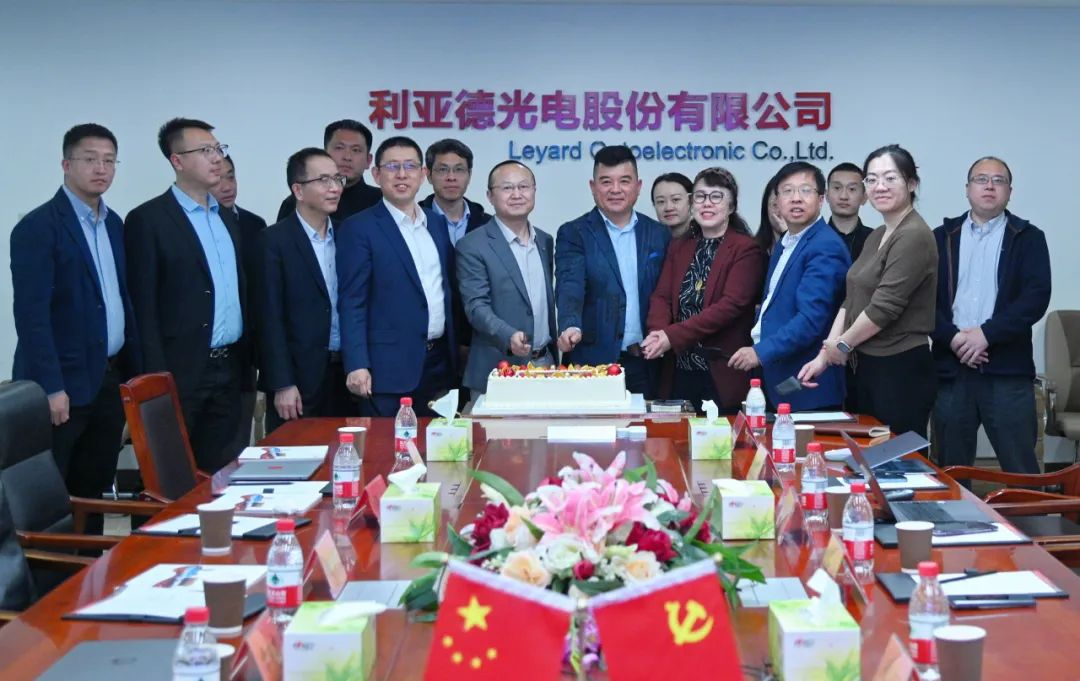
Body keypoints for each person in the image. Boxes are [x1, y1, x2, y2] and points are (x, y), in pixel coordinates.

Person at [11, 123, 140, 532]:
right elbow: (32, 317)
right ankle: (50, 571)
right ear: (67, 165)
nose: (101, 169)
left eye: (109, 161)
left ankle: (90, 566)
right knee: (51, 500)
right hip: (62, 386)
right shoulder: (38, 227)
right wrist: (50, 387)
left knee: (93, 491)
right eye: (90, 159)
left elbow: (120, 301)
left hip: (106, 378)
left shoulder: (114, 224)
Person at [125, 118, 249, 472]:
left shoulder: (226, 217)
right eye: (205, 150)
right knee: (171, 475)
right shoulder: (148, 220)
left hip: (230, 367)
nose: (217, 158)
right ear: (177, 160)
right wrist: (154, 379)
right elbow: (143, 307)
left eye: (218, 149)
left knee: (222, 475)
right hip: (179, 371)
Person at [798, 144, 938, 437]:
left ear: (912, 183)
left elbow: (883, 307)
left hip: (899, 368)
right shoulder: (878, 235)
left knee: (895, 459)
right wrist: (827, 351)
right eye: (872, 179)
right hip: (866, 365)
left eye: (890, 178)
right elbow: (852, 298)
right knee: (862, 456)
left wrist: (843, 345)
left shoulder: (913, 235)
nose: (879, 186)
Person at [931, 157, 1050, 473]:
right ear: (967, 188)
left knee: (1021, 469)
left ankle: (1027, 511)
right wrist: (954, 339)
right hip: (951, 370)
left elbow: (1035, 298)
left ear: (1009, 191)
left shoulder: (1028, 237)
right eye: (981, 179)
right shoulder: (941, 237)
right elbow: (923, 302)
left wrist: (986, 335)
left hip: (1007, 371)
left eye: (998, 180)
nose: (989, 186)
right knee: (951, 472)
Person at [337, 136, 457, 417]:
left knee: (439, 442)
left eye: (410, 166)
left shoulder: (436, 223)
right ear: (376, 174)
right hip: (386, 369)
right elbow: (352, 301)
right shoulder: (359, 228)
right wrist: (356, 363)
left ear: (423, 174)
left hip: (439, 364)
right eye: (392, 166)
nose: (402, 174)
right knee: (386, 444)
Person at [728, 162, 850, 410]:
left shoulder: (825, 245)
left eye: (805, 190)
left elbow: (810, 320)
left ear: (821, 199)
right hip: (781, 378)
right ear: (777, 202)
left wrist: (760, 352)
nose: (796, 198)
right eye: (787, 191)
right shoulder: (787, 241)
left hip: (808, 384)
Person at [643, 167, 764, 411]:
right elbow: (662, 297)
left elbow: (729, 306)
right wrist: (657, 332)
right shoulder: (680, 246)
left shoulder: (746, 249)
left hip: (722, 374)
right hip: (678, 371)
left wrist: (671, 336)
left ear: (731, 206)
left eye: (716, 196)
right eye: (700, 196)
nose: (707, 203)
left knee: (722, 436)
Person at [554, 145, 670, 397]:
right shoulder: (574, 233)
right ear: (593, 187)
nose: (615, 189)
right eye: (606, 181)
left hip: (647, 362)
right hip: (592, 364)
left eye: (624, 181)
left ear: (638, 186)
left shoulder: (659, 234)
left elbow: (667, 293)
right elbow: (570, 284)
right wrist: (570, 325)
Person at [259, 148, 355, 433]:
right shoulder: (273, 241)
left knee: (349, 452)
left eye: (337, 179)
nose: (334, 188)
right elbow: (268, 317)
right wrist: (282, 383)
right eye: (324, 180)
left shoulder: (349, 234)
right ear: (298, 190)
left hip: (346, 372)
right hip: (299, 379)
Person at [457, 161, 555, 396]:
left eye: (524, 186)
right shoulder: (473, 245)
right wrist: (507, 334)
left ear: (534, 191)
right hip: (499, 370)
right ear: (490, 196)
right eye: (507, 188)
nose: (517, 194)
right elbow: (476, 306)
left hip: (546, 366)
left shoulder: (544, 240)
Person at [211, 155, 267, 451]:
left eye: (231, 176)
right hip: (201, 356)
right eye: (218, 179)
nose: (227, 186)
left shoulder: (253, 225)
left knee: (236, 442)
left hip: (243, 352)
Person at [276, 119, 381, 222]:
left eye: (356, 150)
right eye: (339, 148)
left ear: (368, 160)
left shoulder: (382, 202)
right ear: (324, 154)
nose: (347, 157)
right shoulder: (297, 203)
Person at [419, 138, 490, 247]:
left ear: (469, 175)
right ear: (429, 175)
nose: (451, 177)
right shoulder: (415, 221)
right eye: (443, 169)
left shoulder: (488, 225)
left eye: (459, 169)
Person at [826, 162, 872, 262]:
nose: (843, 196)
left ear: (864, 197)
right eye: (837, 188)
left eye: (852, 189)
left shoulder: (876, 240)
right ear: (826, 195)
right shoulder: (812, 239)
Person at [651, 172, 693, 239]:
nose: (668, 208)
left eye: (675, 199)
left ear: (691, 201)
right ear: (654, 205)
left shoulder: (706, 238)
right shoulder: (649, 239)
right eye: (661, 201)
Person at [754, 173, 786, 256]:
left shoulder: (810, 247)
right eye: (775, 205)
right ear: (766, 207)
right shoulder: (751, 250)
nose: (781, 211)